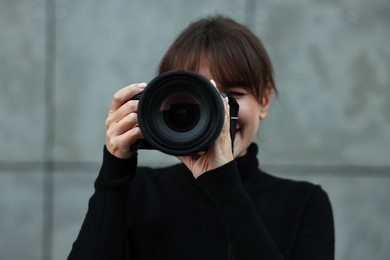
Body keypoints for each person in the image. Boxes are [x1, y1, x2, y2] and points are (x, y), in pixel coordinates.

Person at [68, 16, 334, 260]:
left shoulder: (305, 203)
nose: (219, 114)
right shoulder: (137, 190)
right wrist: (114, 171)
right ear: (160, 105)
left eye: (232, 95)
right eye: (195, 98)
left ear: (263, 101)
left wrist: (225, 185)